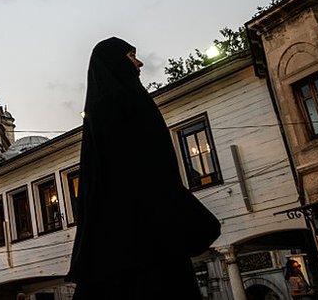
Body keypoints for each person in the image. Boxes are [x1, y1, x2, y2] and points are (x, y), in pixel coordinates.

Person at [67, 37, 221, 300]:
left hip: (128, 236)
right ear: (115, 62)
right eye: (131, 56)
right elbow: (144, 168)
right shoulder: (119, 105)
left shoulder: (104, 108)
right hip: (147, 231)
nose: (139, 63)